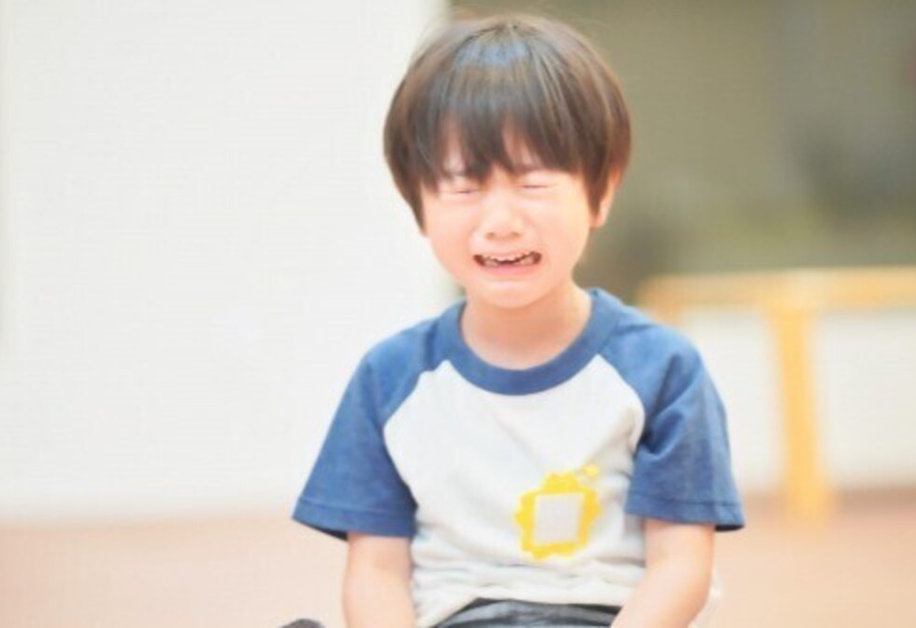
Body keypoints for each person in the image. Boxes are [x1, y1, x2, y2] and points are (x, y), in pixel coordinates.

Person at [292, 13, 744, 628]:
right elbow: (375, 573)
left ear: (601, 192)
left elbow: (680, 566)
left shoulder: (661, 370)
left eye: (533, 182)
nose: (501, 222)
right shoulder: (389, 379)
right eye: (464, 187)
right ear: (418, 203)